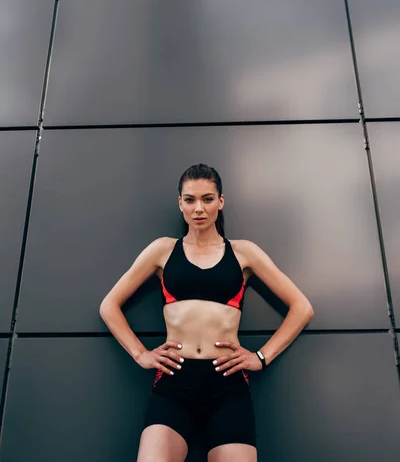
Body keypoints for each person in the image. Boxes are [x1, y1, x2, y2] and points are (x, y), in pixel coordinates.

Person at [99, 163, 314, 461]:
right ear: (180, 204)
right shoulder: (162, 250)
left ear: (220, 202)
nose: (198, 208)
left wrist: (261, 357)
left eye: (207, 199)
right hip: (174, 383)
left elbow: (301, 307)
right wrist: (141, 354)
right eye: (190, 200)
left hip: (227, 386)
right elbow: (109, 306)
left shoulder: (243, 252)